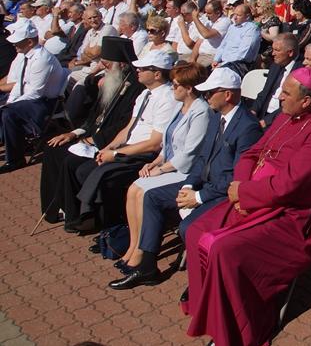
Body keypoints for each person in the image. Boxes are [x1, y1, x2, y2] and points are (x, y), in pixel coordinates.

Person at [182, 66, 311, 346]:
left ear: (306, 101)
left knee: (224, 250)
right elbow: (252, 152)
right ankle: (210, 308)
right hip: (251, 199)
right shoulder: (285, 116)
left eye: (286, 93)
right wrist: (240, 190)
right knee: (195, 231)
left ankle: (235, 329)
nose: (279, 97)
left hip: (289, 214)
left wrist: (244, 193)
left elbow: (290, 185)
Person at [135, 68, 262, 293]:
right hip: (203, 185)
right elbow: (202, 157)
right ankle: (147, 267)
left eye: (210, 93)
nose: (206, 97)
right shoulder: (216, 118)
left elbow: (238, 176)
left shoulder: (248, 127)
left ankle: (200, 282)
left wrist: (199, 196)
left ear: (227, 95)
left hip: (222, 194)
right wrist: (188, 185)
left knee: (188, 227)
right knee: (152, 197)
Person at [109, 63, 212, 289]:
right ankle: (134, 246)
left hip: (183, 171)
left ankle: (141, 254)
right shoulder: (180, 106)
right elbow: (168, 142)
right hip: (168, 165)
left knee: (144, 192)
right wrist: (155, 162)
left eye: (175, 85)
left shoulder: (201, 112)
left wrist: (161, 169)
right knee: (134, 188)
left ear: (189, 88)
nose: (172, 88)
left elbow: (189, 154)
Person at [63, 50, 179, 231]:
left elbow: (155, 143)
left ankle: (113, 226)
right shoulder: (144, 94)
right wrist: (108, 148)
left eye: (143, 68)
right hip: (128, 148)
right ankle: (94, 218)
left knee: (98, 175)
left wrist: (116, 154)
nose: (138, 70)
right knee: (78, 165)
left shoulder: (168, 98)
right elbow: (128, 129)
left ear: (157, 74)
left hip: (145, 154)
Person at [40, 37, 143, 222]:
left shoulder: (136, 88)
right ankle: (57, 207)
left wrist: (92, 140)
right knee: (52, 149)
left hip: (109, 142)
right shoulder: (110, 81)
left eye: (106, 64)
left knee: (70, 159)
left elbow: (124, 124)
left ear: (121, 64)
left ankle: (76, 213)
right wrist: (74, 133)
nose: (103, 67)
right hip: (91, 136)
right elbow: (94, 116)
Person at [0, 19, 67, 172]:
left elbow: (35, 93)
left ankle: (15, 160)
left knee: (8, 112)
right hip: (32, 99)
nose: (14, 45)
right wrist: (10, 101)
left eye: (17, 42)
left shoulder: (42, 59)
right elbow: (19, 84)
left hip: (45, 102)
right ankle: (11, 142)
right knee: (6, 108)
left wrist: (10, 105)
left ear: (29, 42)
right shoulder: (24, 55)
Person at [249, 33, 300, 128]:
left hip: (281, 121)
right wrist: (253, 111)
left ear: (290, 52)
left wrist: (266, 121)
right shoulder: (276, 65)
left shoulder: (300, 72)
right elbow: (264, 92)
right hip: (263, 114)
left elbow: (292, 104)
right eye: (273, 49)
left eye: (277, 50)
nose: (273, 54)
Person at [212, 4, 261, 77]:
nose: (234, 17)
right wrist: (216, 60)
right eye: (234, 14)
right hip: (224, 64)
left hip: (238, 65)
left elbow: (243, 54)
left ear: (247, 16)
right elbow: (223, 45)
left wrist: (222, 64)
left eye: (238, 15)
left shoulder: (252, 29)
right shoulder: (232, 27)